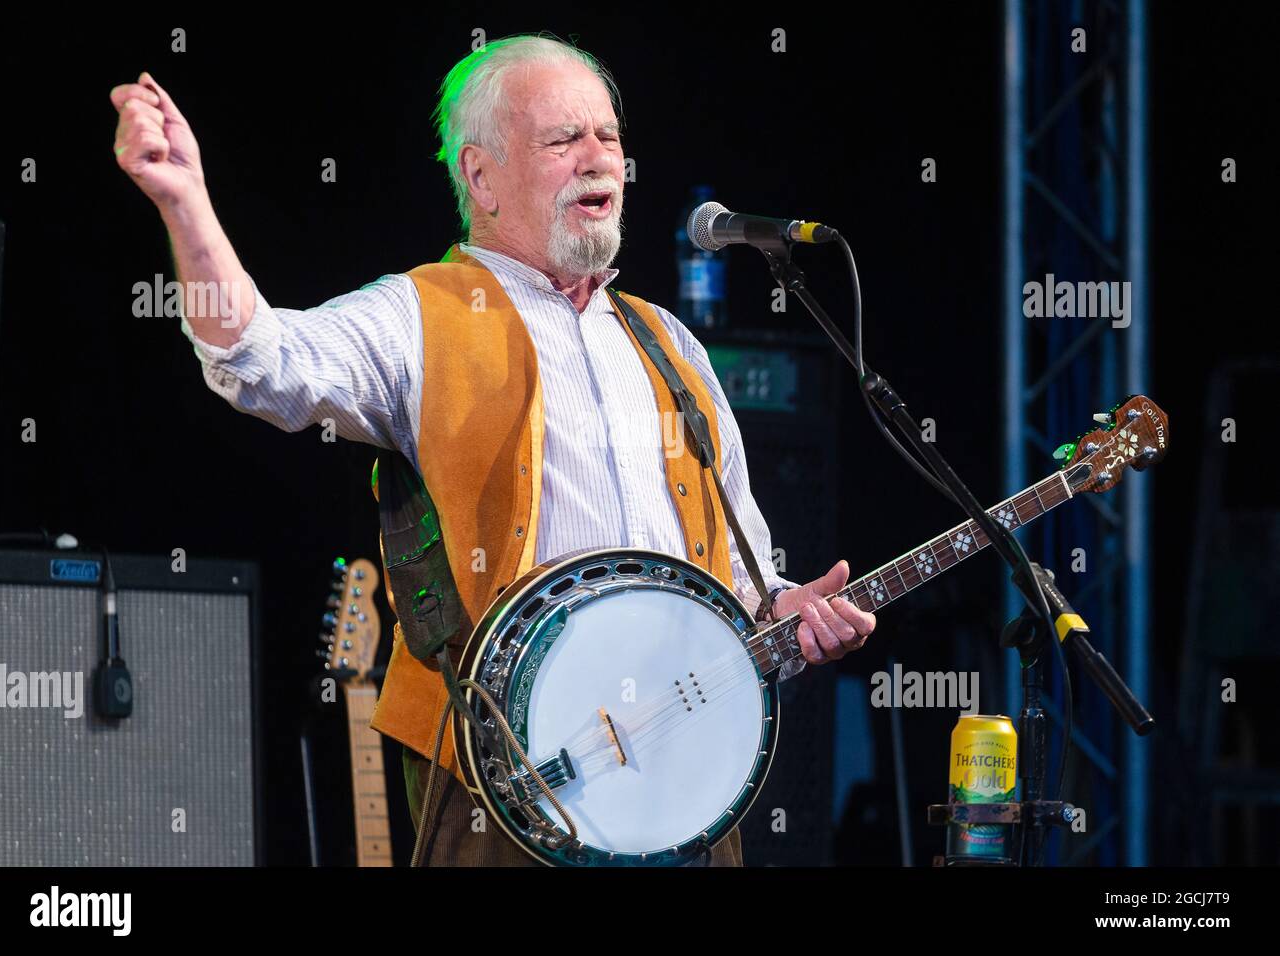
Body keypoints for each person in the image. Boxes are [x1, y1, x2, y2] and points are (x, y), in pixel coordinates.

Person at [110, 33, 877, 866]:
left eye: (610, 138)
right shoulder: (418, 315)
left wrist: (780, 608)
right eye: (564, 140)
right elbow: (262, 363)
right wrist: (185, 203)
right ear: (480, 177)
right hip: (511, 783)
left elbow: (742, 572)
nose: (599, 160)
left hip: (685, 778)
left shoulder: (672, 347)